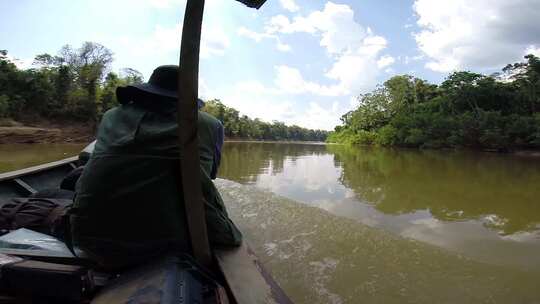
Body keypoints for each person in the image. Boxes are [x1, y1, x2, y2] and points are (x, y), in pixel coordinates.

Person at [69, 65, 241, 269]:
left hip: (86, 237)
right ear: (187, 94)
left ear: (147, 89)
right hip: (165, 245)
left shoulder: (110, 116)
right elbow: (210, 175)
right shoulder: (210, 125)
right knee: (231, 236)